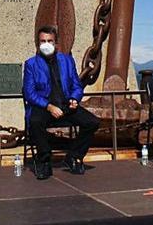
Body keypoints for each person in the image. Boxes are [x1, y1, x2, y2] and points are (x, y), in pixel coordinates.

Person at [23, 25, 100, 180]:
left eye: (49, 41)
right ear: (38, 44)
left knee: (92, 122)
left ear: (55, 43)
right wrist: (49, 106)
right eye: (42, 41)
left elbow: (76, 85)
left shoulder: (66, 60)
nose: (46, 44)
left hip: (65, 105)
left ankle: (74, 156)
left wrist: (74, 99)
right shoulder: (31, 64)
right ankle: (44, 161)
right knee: (35, 121)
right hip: (43, 106)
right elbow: (29, 93)